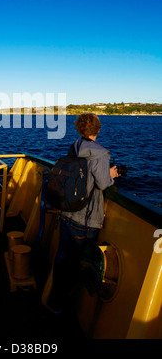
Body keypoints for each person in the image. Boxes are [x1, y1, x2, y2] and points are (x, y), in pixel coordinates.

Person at [47, 112, 119, 313]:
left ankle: (55, 302)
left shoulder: (75, 147)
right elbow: (103, 183)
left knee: (63, 257)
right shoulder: (100, 153)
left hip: (68, 211)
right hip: (85, 218)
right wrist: (112, 174)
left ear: (79, 129)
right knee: (81, 263)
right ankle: (70, 305)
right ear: (98, 129)